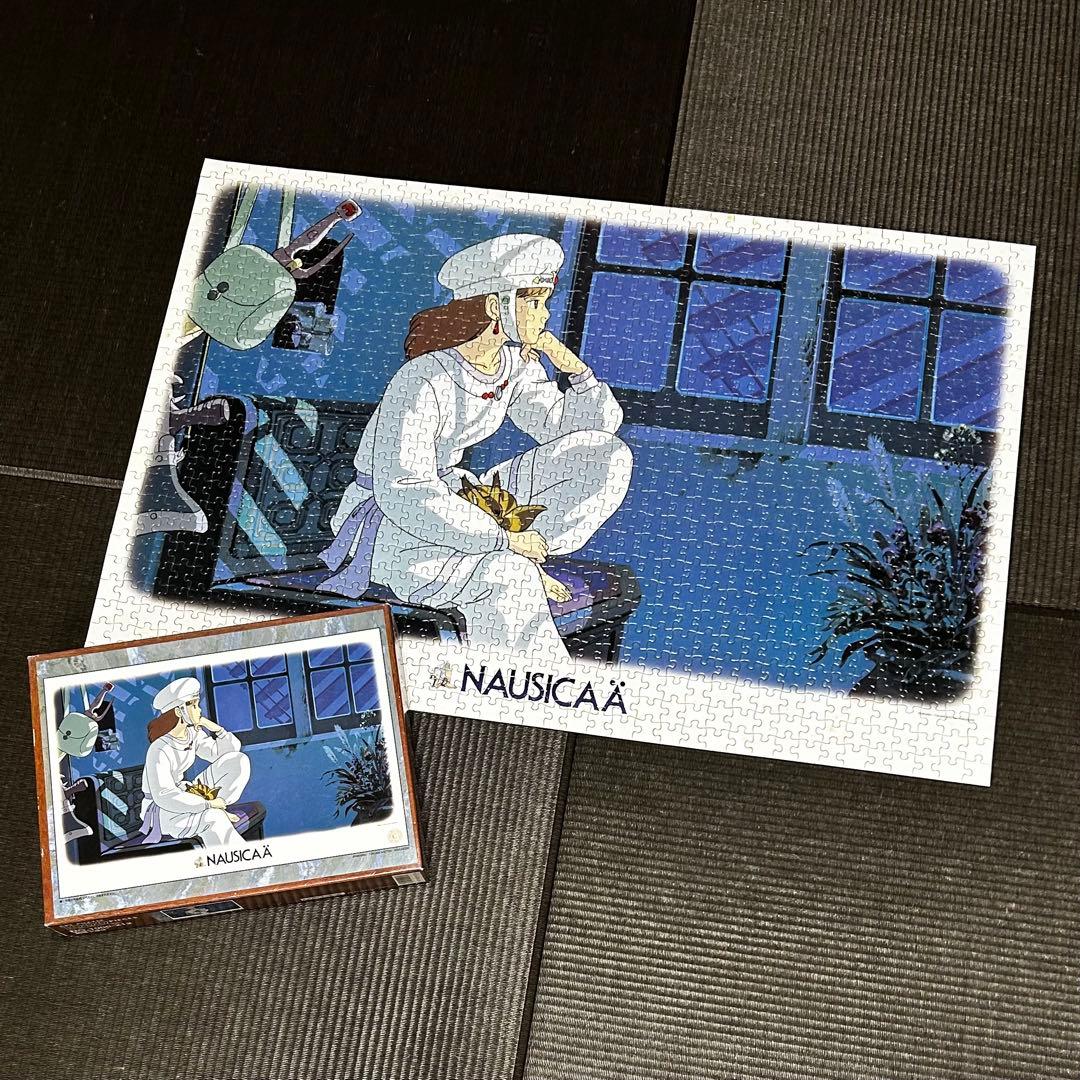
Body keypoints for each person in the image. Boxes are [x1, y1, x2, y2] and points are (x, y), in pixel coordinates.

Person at [319, 233, 632, 660]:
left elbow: (587, 430)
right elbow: (404, 490)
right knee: (506, 579)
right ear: (495, 306)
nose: (545, 315)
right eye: (535, 303)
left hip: (461, 498)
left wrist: (572, 367)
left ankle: (527, 551)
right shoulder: (422, 379)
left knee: (607, 456)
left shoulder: (512, 365)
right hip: (393, 523)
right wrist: (502, 540)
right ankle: (531, 652)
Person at [139, 677, 251, 848]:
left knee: (238, 761)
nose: (199, 710)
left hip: (186, 793)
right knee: (214, 819)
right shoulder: (159, 749)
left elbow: (226, 753)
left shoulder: (192, 734)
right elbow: (164, 796)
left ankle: (217, 807)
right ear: (179, 711)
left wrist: (216, 729)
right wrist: (208, 804)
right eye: (194, 705)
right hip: (164, 810)